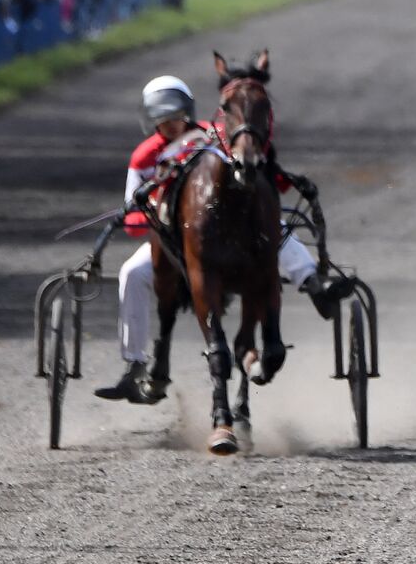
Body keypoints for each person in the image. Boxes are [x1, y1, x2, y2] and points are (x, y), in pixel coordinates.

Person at [93, 75, 347, 403]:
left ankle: (314, 285)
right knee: (131, 273)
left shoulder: (215, 134)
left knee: (276, 233)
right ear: (150, 120)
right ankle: (135, 364)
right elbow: (132, 221)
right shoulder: (143, 157)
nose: (170, 124)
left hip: (231, 227)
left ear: (187, 110)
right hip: (172, 238)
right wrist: (159, 213)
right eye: (162, 119)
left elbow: (256, 168)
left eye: (175, 116)